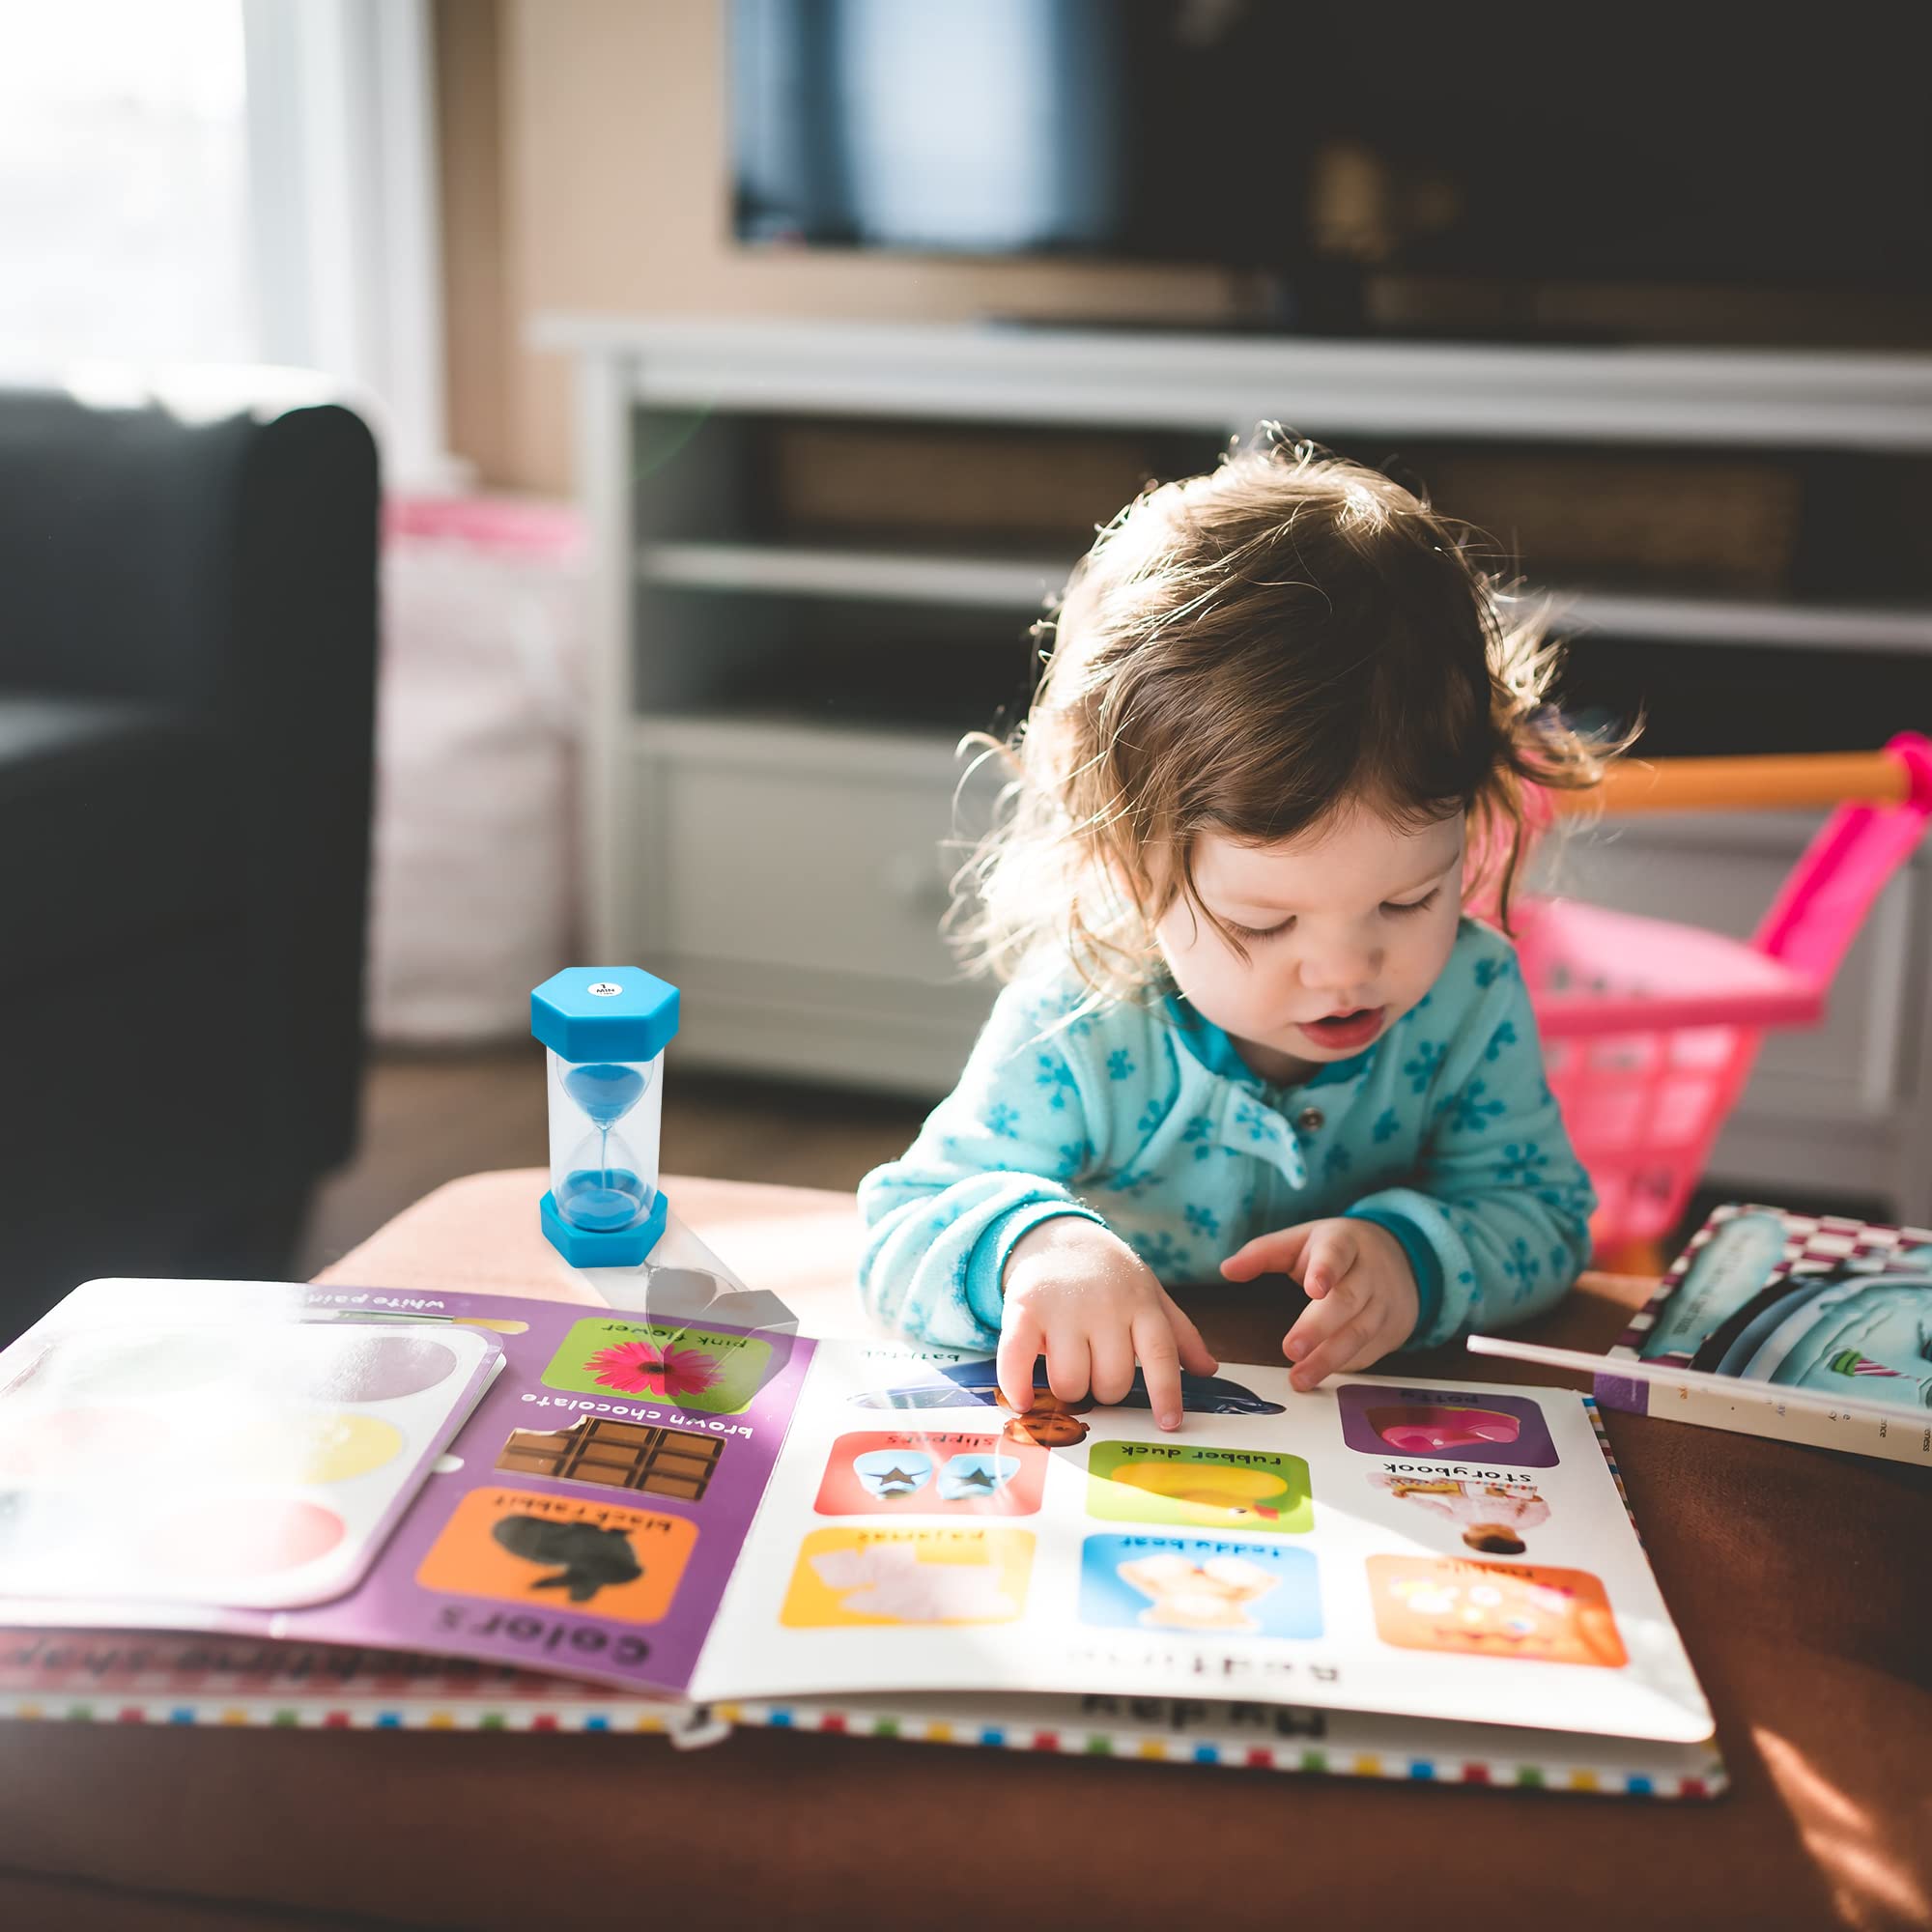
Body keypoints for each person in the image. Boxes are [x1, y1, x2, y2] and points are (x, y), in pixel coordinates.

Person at [858, 432, 1612, 1430]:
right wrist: (1038, 1246)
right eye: (1264, 920)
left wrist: (1412, 1256)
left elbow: (1544, 1220)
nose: (1347, 967)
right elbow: (901, 1225)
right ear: (1128, 866)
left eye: (1408, 899)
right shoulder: (1080, 1020)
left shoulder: (1468, 999)